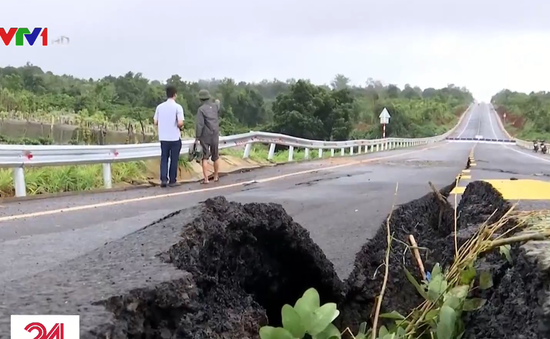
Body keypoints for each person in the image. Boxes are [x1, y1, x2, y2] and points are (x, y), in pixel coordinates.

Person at [153, 85, 184, 187]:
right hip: (174, 138)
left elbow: (155, 122)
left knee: (164, 158)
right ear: (175, 95)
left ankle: (163, 180)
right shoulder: (178, 107)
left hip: (163, 137)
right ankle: (172, 180)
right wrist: (181, 127)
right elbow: (180, 123)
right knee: (174, 159)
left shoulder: (159, 107)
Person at [195, 89, 220, 184]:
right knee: (216, 156)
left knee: (205, 157)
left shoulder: (201, 109)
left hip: (205, 136)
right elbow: (219, 106)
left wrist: (197, 137)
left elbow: (200, 124)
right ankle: (216, 176)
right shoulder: (215, 107)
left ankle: (206, 179)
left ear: (201, 99)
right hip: (215, 134)